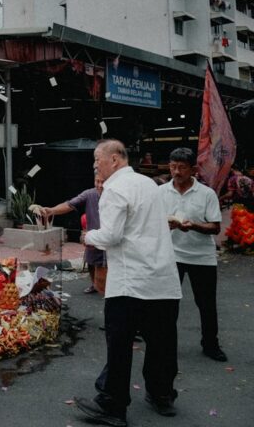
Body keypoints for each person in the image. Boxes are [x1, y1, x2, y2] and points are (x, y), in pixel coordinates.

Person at [74, 140, 182, 425]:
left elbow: (110, 236)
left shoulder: (114, 189)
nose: (95, 164)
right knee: (161, 342)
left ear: (114, 159)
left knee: (119, 346)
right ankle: (161, 395)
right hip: (162, 280)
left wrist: (88, 236)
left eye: (97, 159)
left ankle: (113, 406)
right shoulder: (148, 184)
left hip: (130, 282)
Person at [159, 147, 226, 362]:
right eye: (173, 167)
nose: (176, 172)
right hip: (172, 256)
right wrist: (164, 225)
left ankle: (211, 344)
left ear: (193, 169)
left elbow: (215, 227)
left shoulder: (206, 194)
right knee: (168, 304)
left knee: (206, 304)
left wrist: (194, 225)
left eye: (182, 167)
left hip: (201, 258)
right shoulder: (161, 192)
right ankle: (166, 345)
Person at [40, 177, 105, 294]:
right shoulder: (89, 194)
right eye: (97, 181)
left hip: (109, 236)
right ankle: (94, 284)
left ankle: (107, 288)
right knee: (90, 260)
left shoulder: (115, 194)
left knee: (107, 265)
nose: (100, 185)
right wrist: (52, 210)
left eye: (103, 182)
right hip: (92, 236)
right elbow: (69, 204)